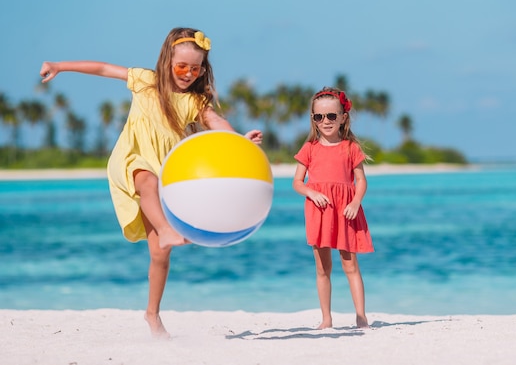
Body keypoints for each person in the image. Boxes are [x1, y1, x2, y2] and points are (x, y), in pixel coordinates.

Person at [39, 27, 263, 338]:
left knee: (160, 254)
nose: (187, 73)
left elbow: (215, 122)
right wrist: (60, 66)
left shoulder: (194, 100)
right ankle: (168, 230)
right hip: (132, 158)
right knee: (146, 181)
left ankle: (152, 314)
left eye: (195, 68)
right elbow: (103, 68)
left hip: (167, 168)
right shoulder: (146, 81)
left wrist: (239, 139)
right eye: (181, 66)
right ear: (166, 60)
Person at [292, 86, 374, 329]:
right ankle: (326, 319)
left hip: (345, 212)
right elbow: (297, 182)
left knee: (350, 265)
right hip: (319, 212)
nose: (325, 121)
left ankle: (361, 316)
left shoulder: (350, 148)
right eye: (319, 117)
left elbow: (361, 181)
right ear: (313, 120)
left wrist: (355, 202)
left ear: (342, 117)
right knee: (322, 267)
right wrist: (312, 192)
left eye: (331, 116)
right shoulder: (309, 148)